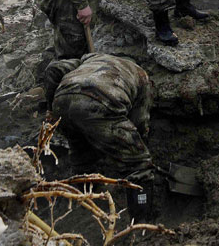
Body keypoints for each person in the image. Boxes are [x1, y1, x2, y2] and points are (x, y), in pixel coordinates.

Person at [44, 54, 155, 218]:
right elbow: (139, 122)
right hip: (100, 102)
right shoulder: (142, 76)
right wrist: (135, 147)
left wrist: (51, 108)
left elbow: (53, 69)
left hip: (62, 101)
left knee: (81, 150)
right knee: (138, 163)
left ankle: (82, 201)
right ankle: (141, 219)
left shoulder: (89, 59)